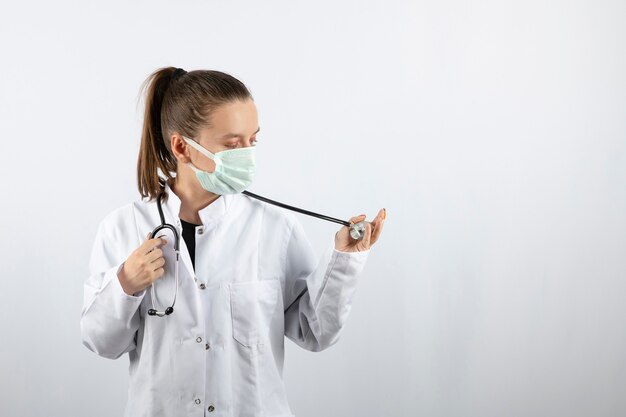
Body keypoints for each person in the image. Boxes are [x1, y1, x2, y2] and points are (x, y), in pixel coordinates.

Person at [80, 66, 386, 417]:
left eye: (252, 140)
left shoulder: (275, 228)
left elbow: (315, 332)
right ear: (181, 147)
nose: (247, 153)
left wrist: (344, 261)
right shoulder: (122, 228)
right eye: (232, 143)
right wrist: (126, 284)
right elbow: (102, 343)